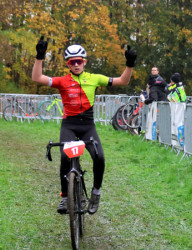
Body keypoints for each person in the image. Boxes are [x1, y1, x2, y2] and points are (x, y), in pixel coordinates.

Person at [31, 36, 137, 214]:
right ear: (68, 64)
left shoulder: (94, 78)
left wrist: (130, 64)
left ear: (84, 62)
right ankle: (65, 197)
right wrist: (39, 57)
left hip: (88, 126)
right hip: (69, 126)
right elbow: (37, 78)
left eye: (79, 61)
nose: (76, 65)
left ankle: (96, 193)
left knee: (99, 157)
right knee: (65, 158)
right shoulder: (63, 81)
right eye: (72, 62)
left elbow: (122, 81)